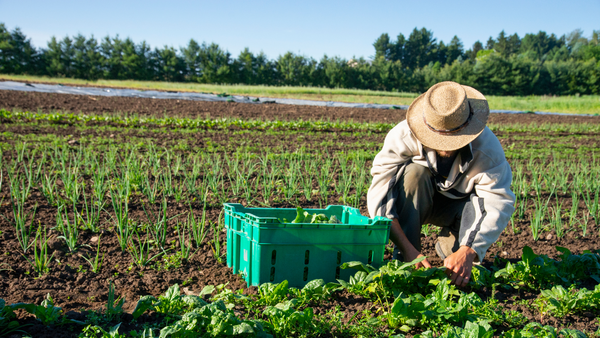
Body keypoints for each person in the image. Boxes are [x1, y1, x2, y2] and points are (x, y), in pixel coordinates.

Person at [367, 81, 515, 287]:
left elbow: (496, 202)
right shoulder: (403, 136)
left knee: (459, 267)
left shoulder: (487, 149)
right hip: (418, 200)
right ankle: (406, 258)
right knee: (413, 174)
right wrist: (409, 251)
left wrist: (468, 251)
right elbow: (381, 196)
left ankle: (451, 244)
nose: (445, 146)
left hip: (458, 208)